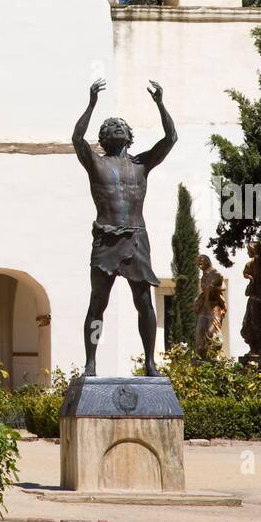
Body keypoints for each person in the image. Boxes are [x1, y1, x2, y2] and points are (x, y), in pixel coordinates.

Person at [72, 77, 177, 377]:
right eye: (110, 126)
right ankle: (91, 362)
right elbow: (77, 140)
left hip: (136, 238)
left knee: (144, 301)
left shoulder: (141, 164)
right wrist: (92, 105)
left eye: (121, 125)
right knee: (98, 303)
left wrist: (160, 104)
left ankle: (150, 362)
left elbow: (171, 138)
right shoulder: (95, 163)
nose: (117, 127)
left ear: (129, 136)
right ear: (103, 137)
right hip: (106, 237)